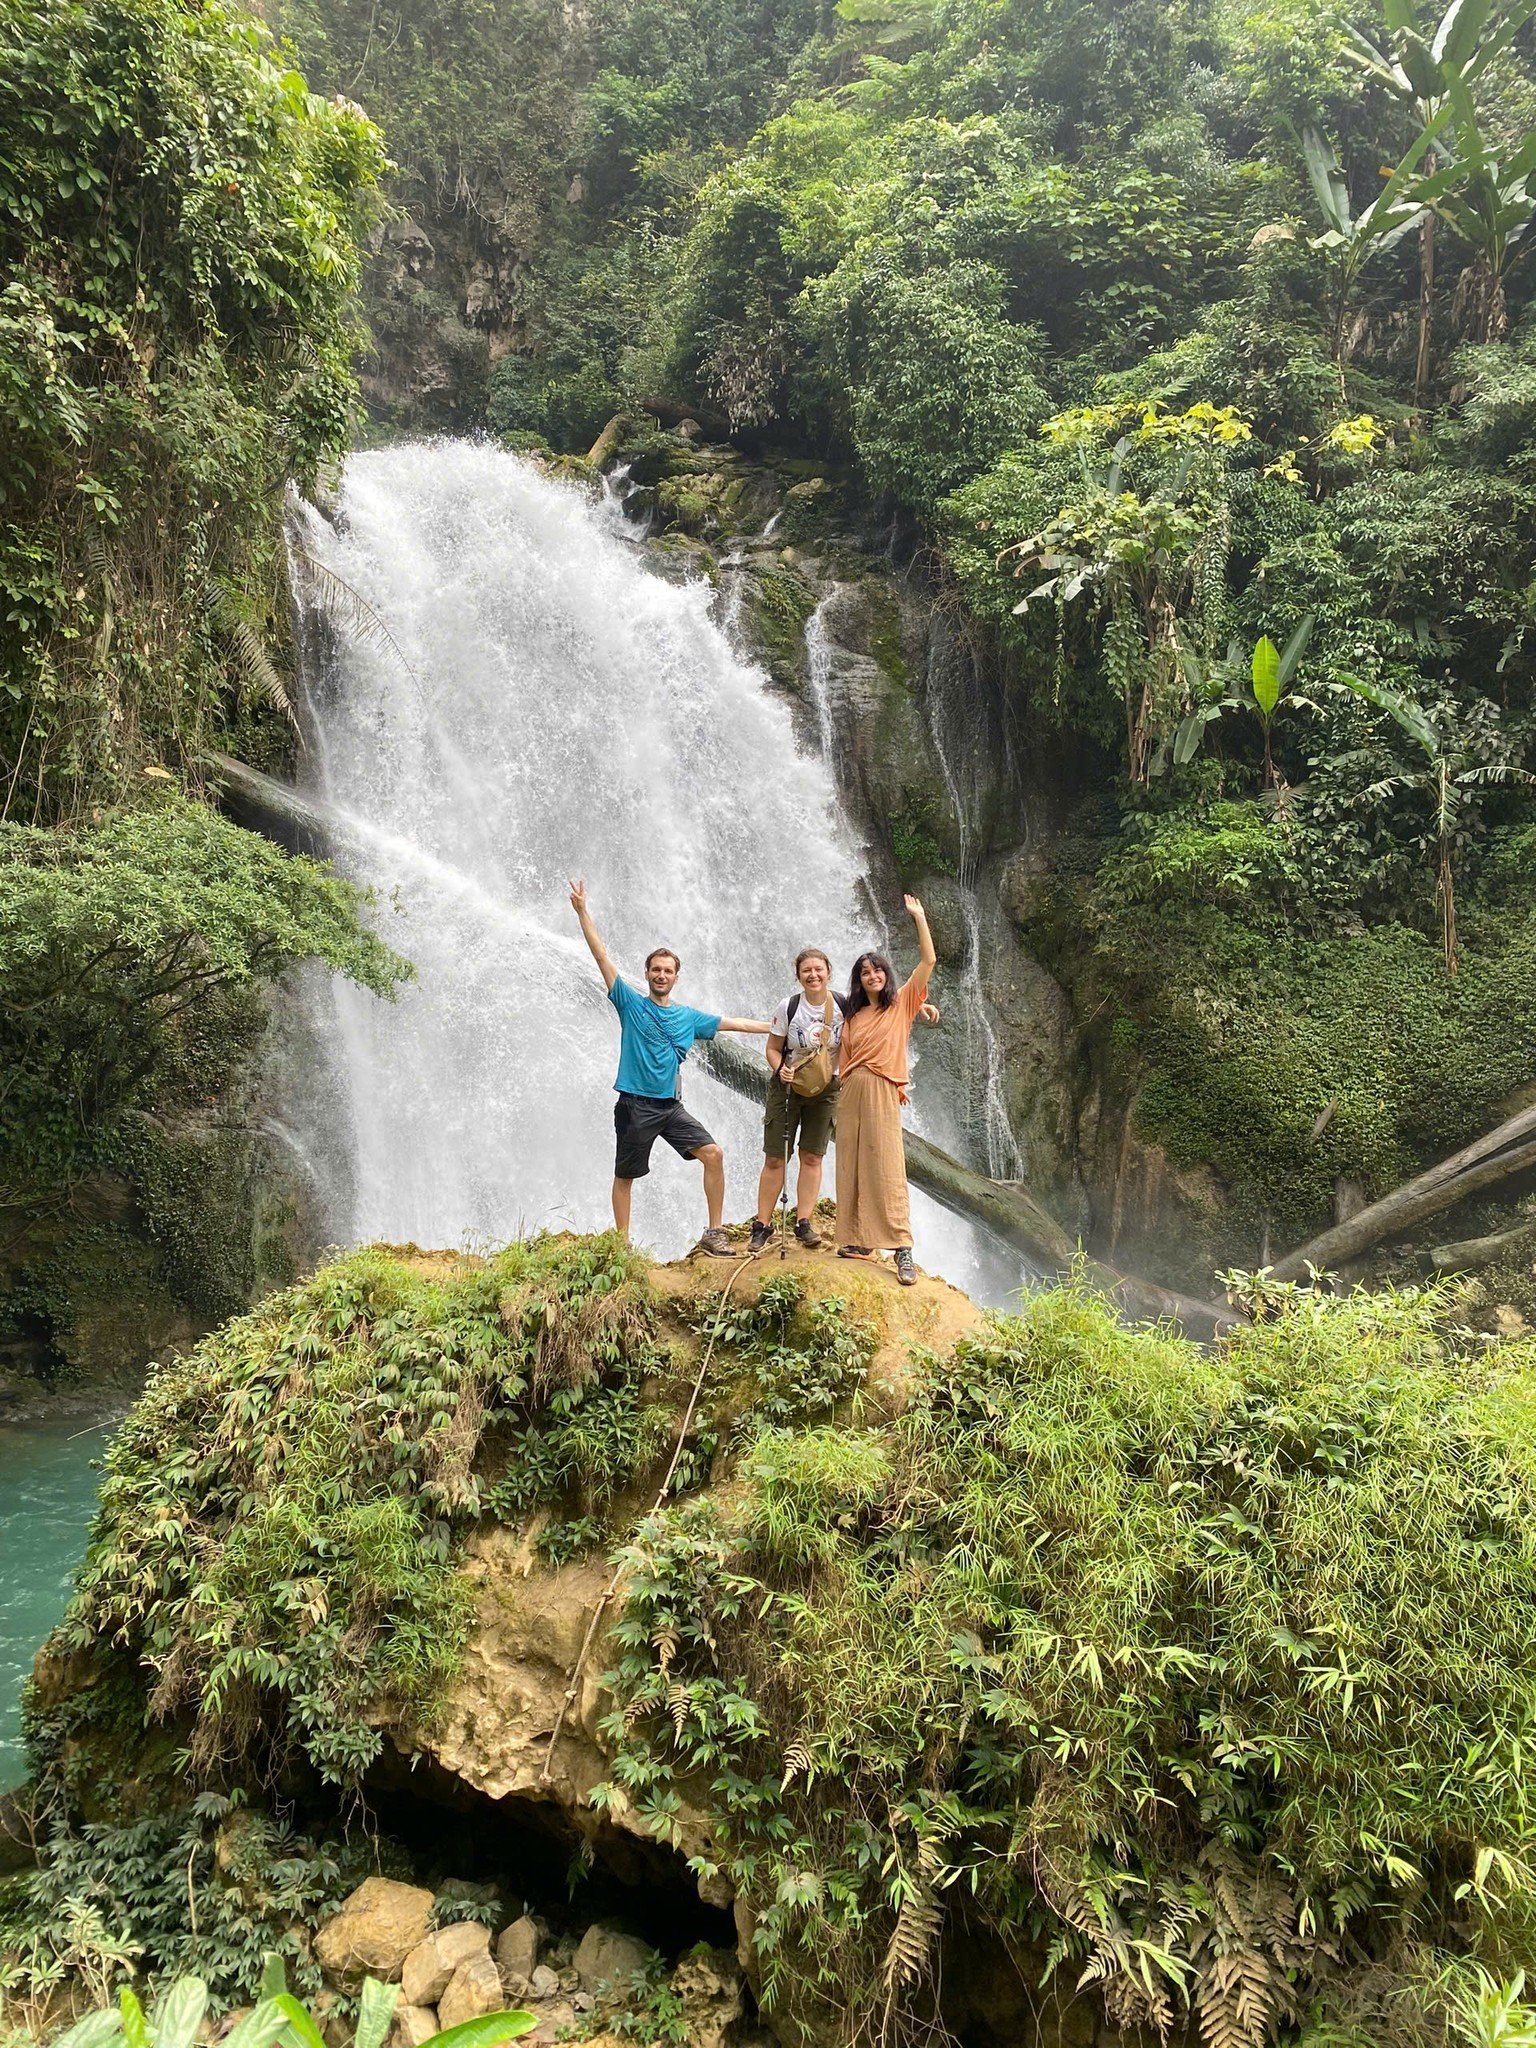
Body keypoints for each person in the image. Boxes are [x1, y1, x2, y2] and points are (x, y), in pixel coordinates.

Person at [569, 880, 770, 1255]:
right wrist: (582, 912)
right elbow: (601, 957)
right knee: (625, 1175)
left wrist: (778, 1026)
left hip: (670, 1107)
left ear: (677, 976)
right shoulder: (629, 1002)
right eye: (656, 970)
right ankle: (622, 1245)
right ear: (647, 974)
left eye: (668, 970)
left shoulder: (688, 1017)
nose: (662, 975)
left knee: (713, 1154)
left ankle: (714, 1232)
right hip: (635, 1105)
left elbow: (736, 1024)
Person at [749, 949, 941, 1254]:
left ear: (829, 971)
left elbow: (887, 1005)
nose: (813, 975)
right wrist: (779, 1069)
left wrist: (920, 1006)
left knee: (813, 1156)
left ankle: (803, 1223)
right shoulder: (790, 1006)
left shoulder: (843, 1005)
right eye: (806, 970)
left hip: (830, 1088)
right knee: (776, 1158)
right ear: (798, 975)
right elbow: (773, 1047)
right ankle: (762, 1225)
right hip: (790, 1088)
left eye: (819, 969)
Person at [834, 894, 937, 1286]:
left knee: (887, 1166)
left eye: (877, 970)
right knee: (852, 1164)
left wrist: (920, 918)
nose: (872, 976)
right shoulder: (851, 1015)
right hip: (850, 1092)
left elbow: (928, 962)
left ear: (886, 975)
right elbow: (840, 1061)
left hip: (880, 1090)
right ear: (858, 981)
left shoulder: (902, 1003)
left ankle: (902, 1249)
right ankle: (860, 1242)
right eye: (864, 972)